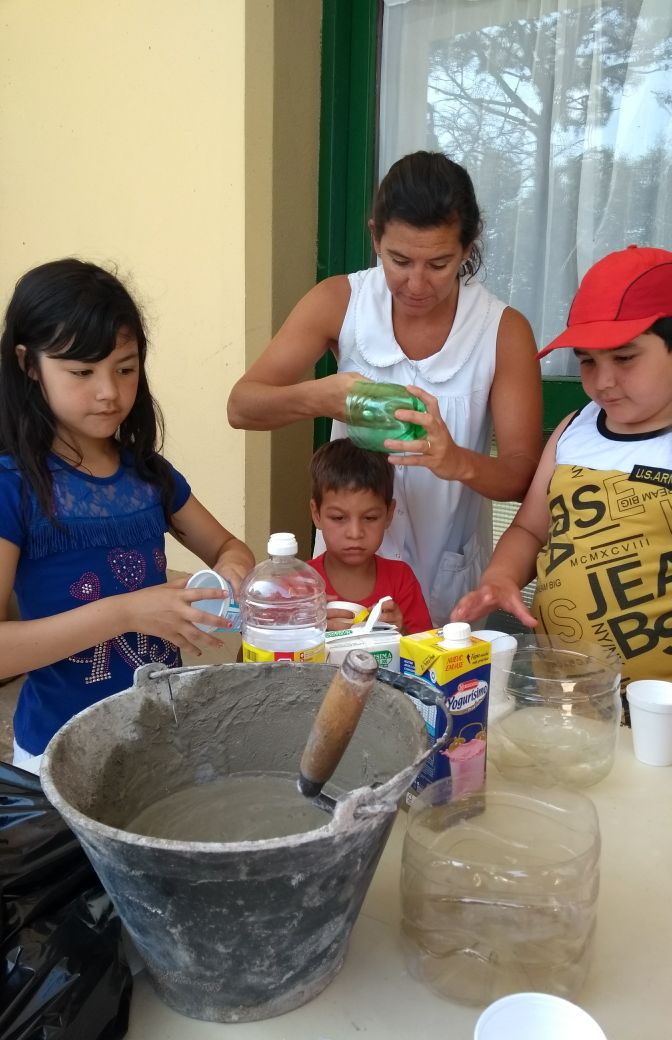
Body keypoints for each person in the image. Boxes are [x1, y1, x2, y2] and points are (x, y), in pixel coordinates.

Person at [227, 150, 542, 624]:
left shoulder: (501, 329)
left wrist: (457, 460)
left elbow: (521, 475)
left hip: (447, 575)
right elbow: (241, 406)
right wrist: (318, 397)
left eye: (439, 263)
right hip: (346, 577)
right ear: (375, 236)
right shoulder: (341, 301)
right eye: (399, 260)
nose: (416, 284)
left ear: (467, 248)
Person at [0, 258, 255, 771]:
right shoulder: (14, 485)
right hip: (61, 756)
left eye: (125, 368)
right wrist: (127, 612)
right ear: (29, 364)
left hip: (160, 742)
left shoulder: (148, 475)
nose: (109, 392)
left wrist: (232, 571)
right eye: (82, 372)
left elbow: (230, 547)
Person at [451, 245, 672, 715]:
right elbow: (530, 529)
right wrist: (501, 577)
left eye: (625, 358)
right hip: (562, 693)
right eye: (587, 361)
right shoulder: (575, 429)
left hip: (658, 708)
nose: (603, 381)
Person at [308, 438, 432, 635]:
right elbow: (266, 649)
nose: (355, 533)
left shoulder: (400, 579)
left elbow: (425, 649)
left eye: (370, 518)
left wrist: (401, 632)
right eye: (338, 518)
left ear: (389, 514)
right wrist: (308, 630)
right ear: (317, 514)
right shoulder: (302, 584)